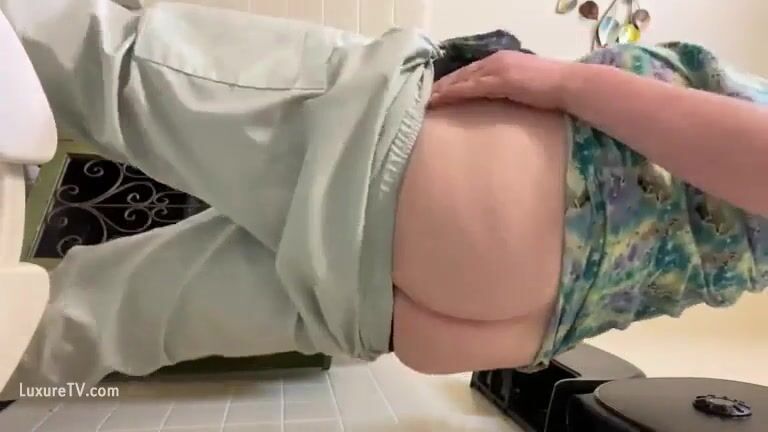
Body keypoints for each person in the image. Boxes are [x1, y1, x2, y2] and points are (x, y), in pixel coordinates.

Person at [1, 0, 766, 399]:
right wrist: (473, 337)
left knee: (109, 64)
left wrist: (562, 80)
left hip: (388, 151)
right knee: (94, 324)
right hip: (412, 305)